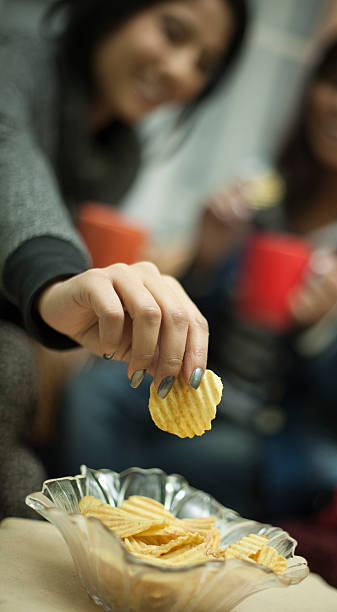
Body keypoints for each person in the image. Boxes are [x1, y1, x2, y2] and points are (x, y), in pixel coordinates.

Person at [58, 13, 337, 523]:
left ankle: (118, 540)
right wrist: (208, 258)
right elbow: (207, 327)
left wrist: (332, 332)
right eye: (335, 83)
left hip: (284, 436)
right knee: (95, 391)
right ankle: (89, 536)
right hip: (212, 391)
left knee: (190, 458)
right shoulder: (267, 199)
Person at [0, 0, 248, 519]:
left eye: (204, 63)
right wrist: (61, 281)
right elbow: (9, 158)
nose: (181, 71)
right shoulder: (16, 61)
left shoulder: (121, 154)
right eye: (173, 32)